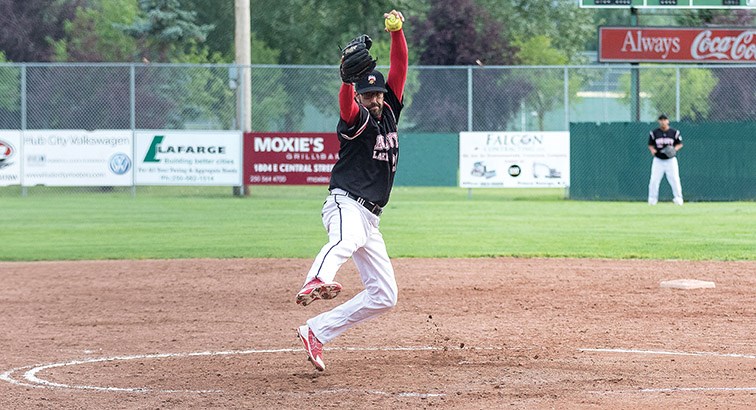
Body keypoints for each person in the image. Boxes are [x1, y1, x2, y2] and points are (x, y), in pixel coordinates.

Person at [295, 9, 408, 371]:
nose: (374, 99)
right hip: (346, 204)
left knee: (384, 295)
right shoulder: (355, 119)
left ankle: (317, 331)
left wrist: (397, 32)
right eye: (368, 94)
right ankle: (318, 278)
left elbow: (400, 68)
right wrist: (347, 81)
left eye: (377, 93)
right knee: (344, 240)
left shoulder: (389, 111)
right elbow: (345, 104)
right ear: (359, 97)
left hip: (371, 217)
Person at [647, 114, 684, 205]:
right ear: (659, 121)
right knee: (654, 180)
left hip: (670, 160)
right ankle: (652, 199)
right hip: (658, 160)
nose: (663, 121)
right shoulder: (654, 133)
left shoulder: (674, 132)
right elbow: (650, 145)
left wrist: (674, 149)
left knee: (675, 179)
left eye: (664, 119)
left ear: (668, 121)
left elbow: (679, 144)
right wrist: (653, 151)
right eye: (661, 120)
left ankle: (678, 198)